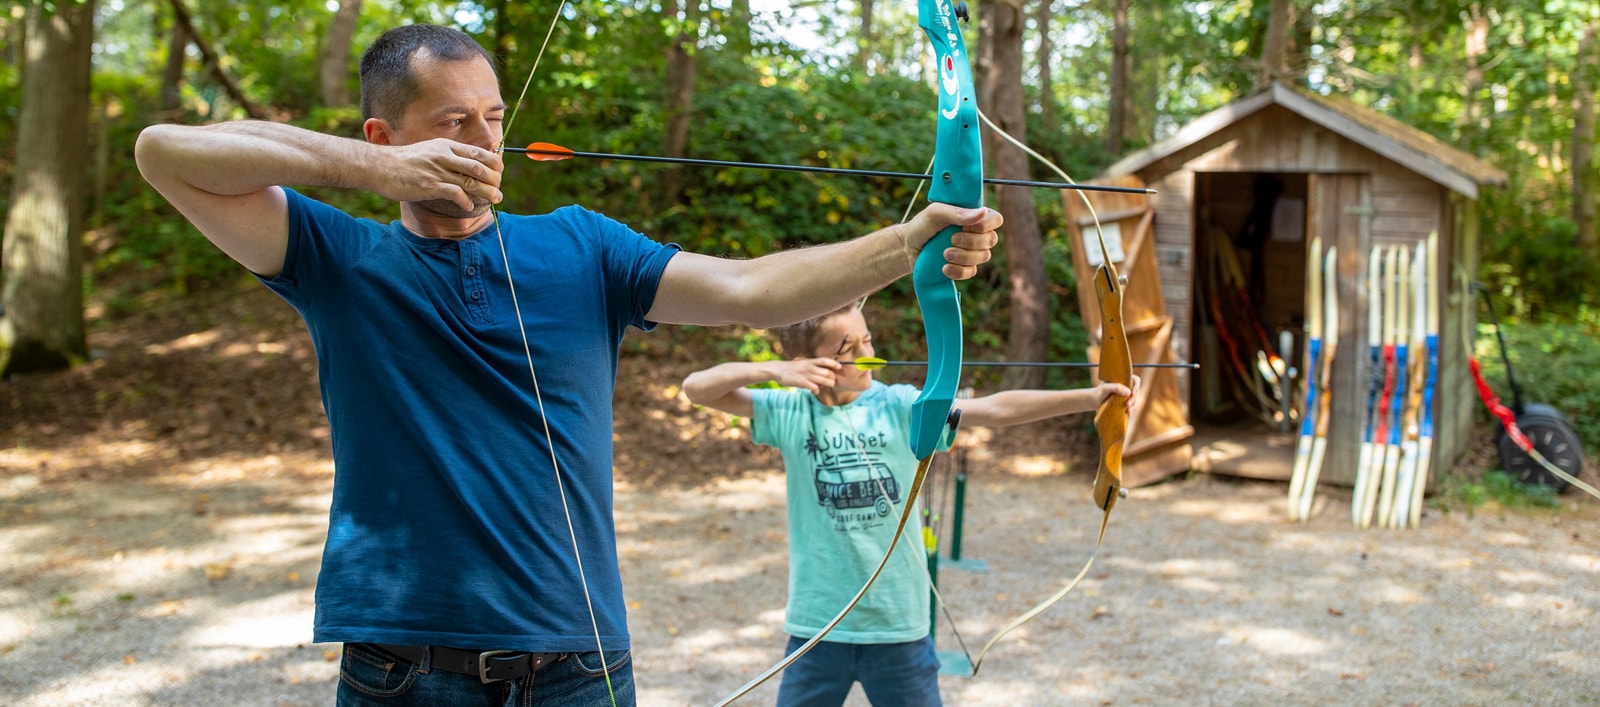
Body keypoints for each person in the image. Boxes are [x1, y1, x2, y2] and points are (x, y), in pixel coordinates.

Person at [133, 24, 1001, 707]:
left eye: (495, 119)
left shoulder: (581, 247)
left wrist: (910, 241)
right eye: (452, 123)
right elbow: (164, 152)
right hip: (404, 671)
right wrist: (374, 169)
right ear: (384, 133)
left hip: (579, 665)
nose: (484, 142)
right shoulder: (338, 257)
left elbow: (753, 287)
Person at [679, 302, 1139, 706]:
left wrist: (1091, 398)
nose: (867, 355)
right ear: (810, 364)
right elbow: (697, 387)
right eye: (847, 350)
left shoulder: (901, 406)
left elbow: (995, 410)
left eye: (868, 340)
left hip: (897, 625)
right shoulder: (791, 412)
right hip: (818, 627)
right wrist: (773, 373)